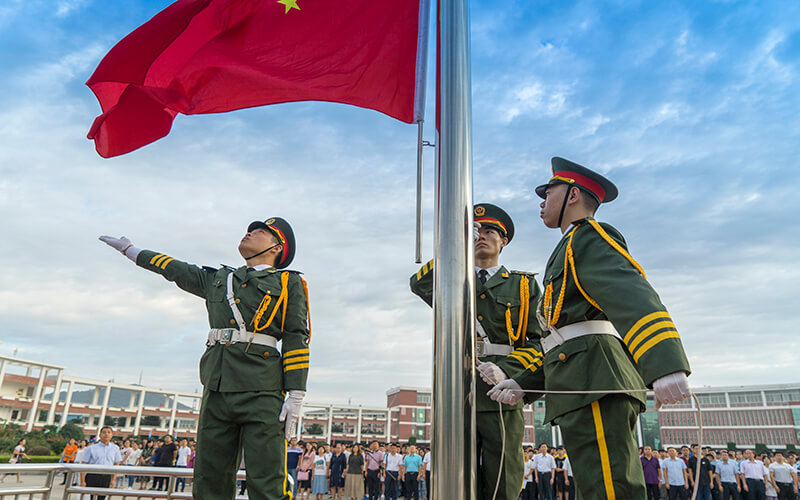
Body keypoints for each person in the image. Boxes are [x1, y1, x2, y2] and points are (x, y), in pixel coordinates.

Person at [490, 157, 692, 499]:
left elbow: (630, 293)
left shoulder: (589, 236)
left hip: (596, 380)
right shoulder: (567, 245)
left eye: (548, 191)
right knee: (595, 487)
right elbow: (564, 336)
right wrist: (523, 382)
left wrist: (666, 363)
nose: (542, 201)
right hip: (582, 381)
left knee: (610, 490)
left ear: (572, 196)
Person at [100, 215, 310, 500]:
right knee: (210, 477)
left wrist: (296, 393)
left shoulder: (288, 282)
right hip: (217, 384)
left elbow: (297, 335)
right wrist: (132, 251)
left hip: (262, 388)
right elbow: (176, 270)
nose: (248, 234)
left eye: (259, 232)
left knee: (266, 479)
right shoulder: (221, 280)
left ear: (276, 247)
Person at [410, 203, 543, 500]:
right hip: (458, 388)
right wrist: (453, 247)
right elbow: (419, 284)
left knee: (502, 478)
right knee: (456, 475)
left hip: (500, 391)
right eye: (475, 231)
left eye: (489, 231)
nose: (481, 236)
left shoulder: (523, 285)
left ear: (503, 240)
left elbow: (538, 342)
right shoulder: (453, 279)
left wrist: (508, 369)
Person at [80, 427, 123, 500]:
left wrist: (113, 480)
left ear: (112, 435)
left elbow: (116, 464)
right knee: (91, 497)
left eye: (109, 432)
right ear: (100, 435)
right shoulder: (91, 448)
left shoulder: (115, 448)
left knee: (102, 498)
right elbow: (84, 464)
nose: (106, 434)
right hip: (92, 476)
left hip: (106, 477)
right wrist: (82, 481)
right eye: (104, 432)